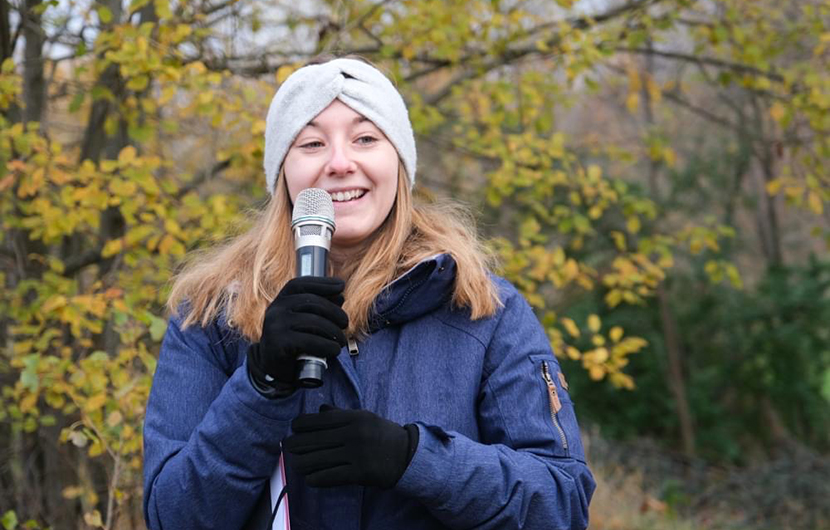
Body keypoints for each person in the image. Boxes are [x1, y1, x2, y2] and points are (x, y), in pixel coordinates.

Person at [142, 57, 595, 530]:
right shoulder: (212, 316)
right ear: (283, 174)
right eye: (312, 143)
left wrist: (413, 458)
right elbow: (170, 518)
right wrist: (260, 386)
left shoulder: (484, 310)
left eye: (365, 138)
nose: (340, 163)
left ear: (398, 163)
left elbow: (561, 504)